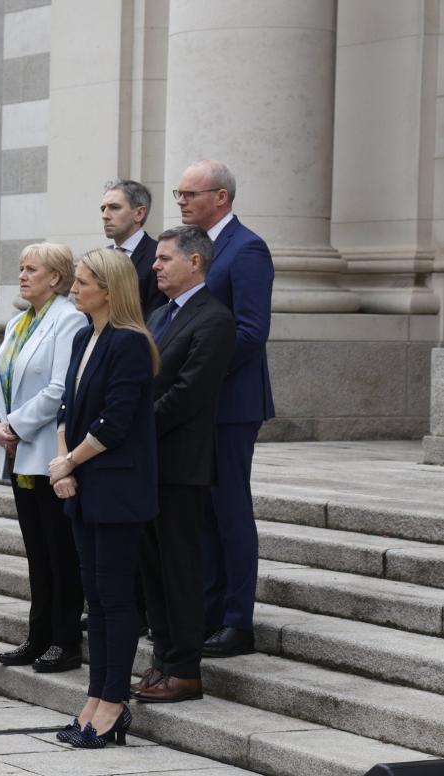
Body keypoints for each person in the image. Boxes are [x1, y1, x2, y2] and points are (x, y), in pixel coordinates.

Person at [49, 248, 158, 748]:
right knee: (94, 598)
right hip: (82, 484)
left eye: (84, 281)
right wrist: (61, 466)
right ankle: (94, 697)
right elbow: (67, 408)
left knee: (116, 600)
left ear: (110, 291)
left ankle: (112, 703)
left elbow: (115, 421)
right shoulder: (80, 337)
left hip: (116, 488)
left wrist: (70, 461)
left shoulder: (129, 343)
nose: (75, 287)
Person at [175, 159, 274, 658]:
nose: (182, 202)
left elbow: (252, 331)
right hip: (196, 402)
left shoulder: (248, 248)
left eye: (190, 194)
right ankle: (208, 611)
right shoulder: (193, 249)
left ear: (221, 197)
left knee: (230, 509)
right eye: (178, 195)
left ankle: (239, 620)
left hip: (231, 402)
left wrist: (197, 369)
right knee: (203, 512)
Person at [132, 226, 235, 704]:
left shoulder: (213, 318)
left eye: (165, 259)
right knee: (152, 570)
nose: (156, 265)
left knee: (179, 568)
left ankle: (185, 669)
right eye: (156, 259)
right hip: (150, 463)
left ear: (194, 263)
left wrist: (134, 426)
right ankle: (162, 660)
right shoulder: (157, 314)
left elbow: (188, 394)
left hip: (180, 463)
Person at [0, 244, 88, 672]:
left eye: (33, 269)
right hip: (16, 453)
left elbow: (60, 389)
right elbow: (1, 383)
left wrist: (16, 427)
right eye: (21, 267)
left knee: (60, 552)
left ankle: (65, 641)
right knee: (36, 552)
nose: (23, 275)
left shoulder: (69, 320)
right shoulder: (18, 322)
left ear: (57, 277)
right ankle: (37, 635)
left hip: (48, 453)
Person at [101, 179, 166, 319]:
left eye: (114, 207)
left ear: (139, 214)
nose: (105, 216)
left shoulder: (158, 256)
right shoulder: (101, 258)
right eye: (103, 208)